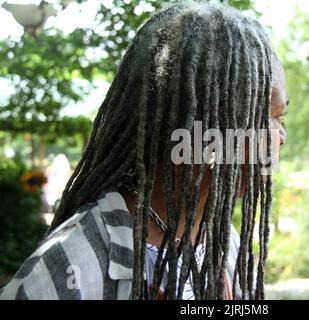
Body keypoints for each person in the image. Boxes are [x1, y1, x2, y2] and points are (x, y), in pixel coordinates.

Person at [0, 2, 288, 300]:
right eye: (273, 116)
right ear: (207, 123)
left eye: (283, 117)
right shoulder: (70, 266)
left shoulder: (221, 241)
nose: (282, 136)